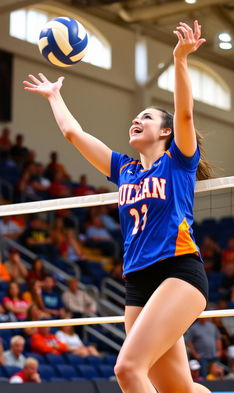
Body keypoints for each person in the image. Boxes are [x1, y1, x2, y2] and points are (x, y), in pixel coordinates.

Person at [23, 20, 213, 393]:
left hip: (179, 272)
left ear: (165, 132)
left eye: (146, 117)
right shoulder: (123, 169)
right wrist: (53, 96)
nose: (135, 119)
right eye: (135, 115)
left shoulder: (178, 160)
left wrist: (180, 60)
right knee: (181, 389)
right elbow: (74, 135)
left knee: (127, 369)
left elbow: (185, 114)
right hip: (137, 281)